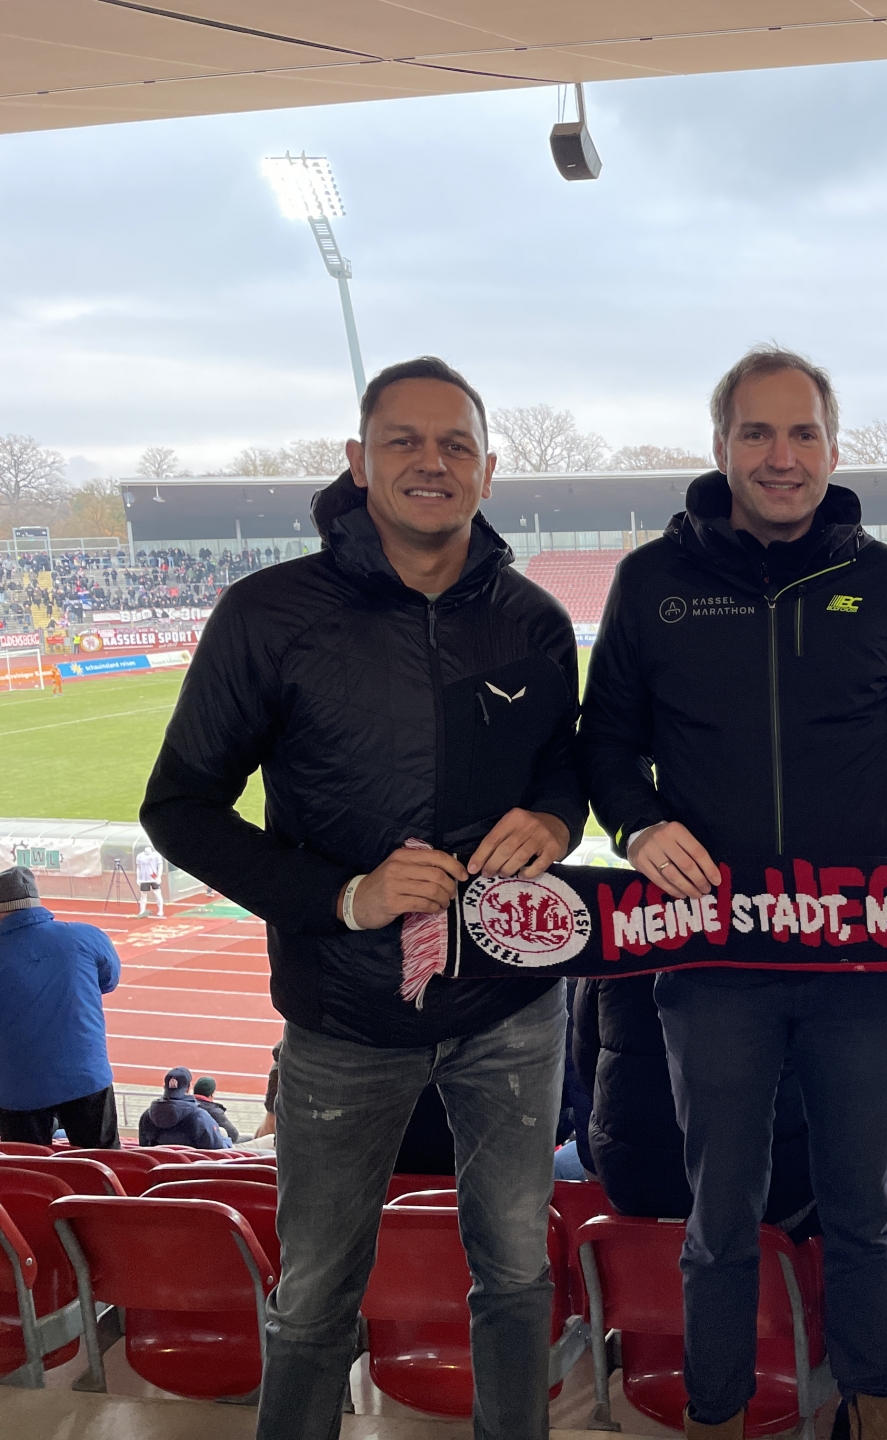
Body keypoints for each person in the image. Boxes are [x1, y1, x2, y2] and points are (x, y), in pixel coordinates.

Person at [141, 355, 588, 1440]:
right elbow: (179, 808)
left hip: (511, 1008)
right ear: (357, 460)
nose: (432, 463)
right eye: (404, 441)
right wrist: (344, 896)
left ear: (488, 470)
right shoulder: (268, 613)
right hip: (342, 1015)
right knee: (313, 1296)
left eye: (455, 445)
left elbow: (563, 768)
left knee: (518, 1276)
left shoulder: (533, 619)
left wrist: (557, 818)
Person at [579, 344, 887, 1440]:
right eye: (757, 432)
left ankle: (876, 1414)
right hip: (713, 961)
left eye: (803, 432)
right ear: (721, 447)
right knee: (719, 1219)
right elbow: (604, 743)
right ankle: (717, 1416)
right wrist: (640, 822)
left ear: (833, 448)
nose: (781, 455)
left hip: (860, 959)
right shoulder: (651, 583)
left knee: (864, 1210)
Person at [570, 977, 815, 1226]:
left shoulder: (610, 955)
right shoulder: (789, 961)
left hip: (634, 1185)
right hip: (771, 1193)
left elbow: (585, 1068)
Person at [0, 864, 123, 1149]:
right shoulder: (86, 936)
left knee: (30, 1169)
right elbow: (108, 981)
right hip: (86, 1074)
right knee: (102, 1163)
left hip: (16, 1086)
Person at [140, 1065, 231, 1148]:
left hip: (160, 1161)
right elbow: (217, 1148)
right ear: (188, 1088)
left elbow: (144, 1147)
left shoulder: (147, 1116)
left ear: (165, 1087)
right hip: (192, 1161)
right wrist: (227, 1141)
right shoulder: (200, 1116)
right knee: (222, 1133)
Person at [193, 1074, 243, 1143]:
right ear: (212, 1094)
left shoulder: (186, 1105)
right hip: (214, 1147)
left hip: (190, 1145)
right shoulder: (215, 1112)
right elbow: (233, 1135)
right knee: (250, 1139)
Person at [135, 843, 165, 917]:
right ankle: (142, 910)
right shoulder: (139, 856)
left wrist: (159, 877)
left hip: (154, 877)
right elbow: (138, 867)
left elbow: (160, 866)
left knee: (157, 893)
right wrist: (138, 878)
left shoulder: (156, 855)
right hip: (144, 879)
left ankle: (161, 910)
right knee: (143, 895)